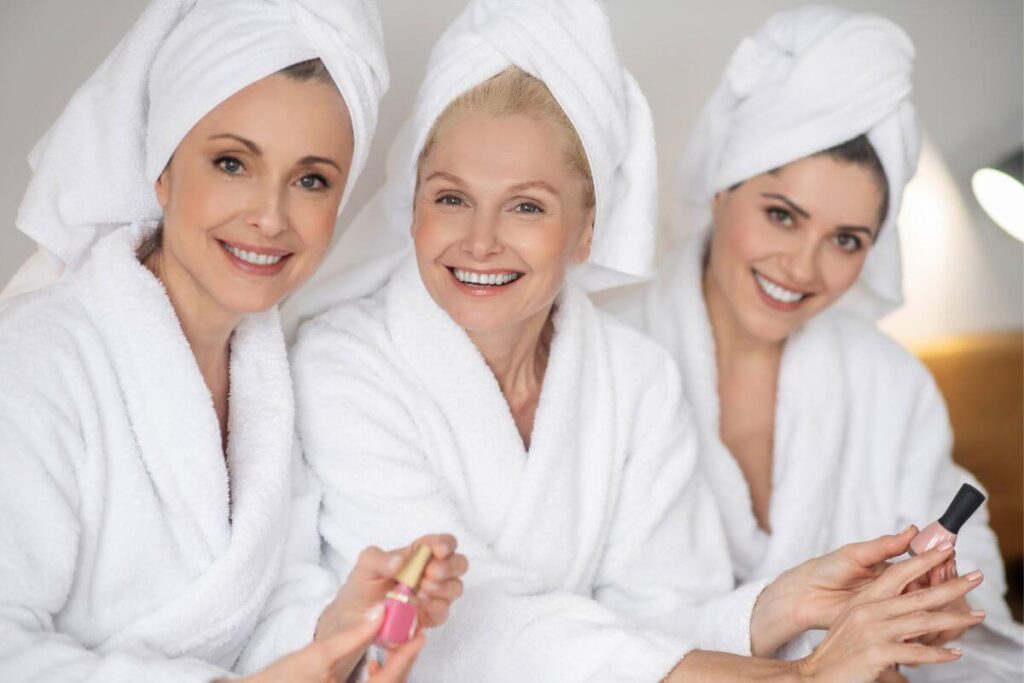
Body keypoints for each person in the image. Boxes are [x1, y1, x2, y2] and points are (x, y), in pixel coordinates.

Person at [289, 2, 983, 681]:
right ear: (410, 205)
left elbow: (662, 615)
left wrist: (777, 606)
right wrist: (795, 677)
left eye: (527, 205)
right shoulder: (341, 366)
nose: (480, 239)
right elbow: (463, 628)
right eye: (450, 197)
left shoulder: (634, 376)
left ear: (589, 229)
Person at [0, 1, 466, 680]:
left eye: (311, 180)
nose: (271, 216)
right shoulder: (33, 364)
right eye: (231, 163)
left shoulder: (267, 374)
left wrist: (336, 629)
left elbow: (251, 612)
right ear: (161, 171)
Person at [597, 6, 1023, 681]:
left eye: (846, 239)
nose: (801, 268)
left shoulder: (890, 382)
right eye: (780, 215)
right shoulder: (601, 358)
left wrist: (930, 624)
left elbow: (981, 625)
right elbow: (577, 629)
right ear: (719, 188)